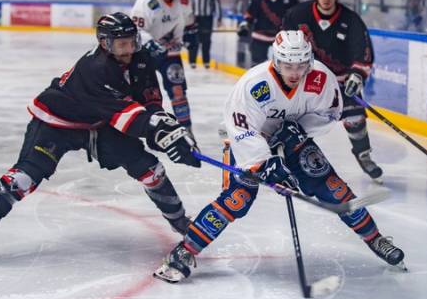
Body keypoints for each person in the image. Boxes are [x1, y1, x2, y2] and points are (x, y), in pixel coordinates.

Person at [0, 13, 200, 265]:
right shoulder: (94, 68)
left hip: (99, 122)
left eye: (132, 41)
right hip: (58, 122)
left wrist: (168, 133)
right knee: (21, 179)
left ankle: (179, 221)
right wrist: (158, 129)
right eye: (122, 44)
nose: (129, 49)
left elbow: (149, 102)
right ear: (105, 43)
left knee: (151, 170)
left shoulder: (140, 58)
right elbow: (127, 116)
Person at [153, 30, 404, 284]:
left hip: (294, 139)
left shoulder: (321, 79)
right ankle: (185, 251)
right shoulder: (254, 84)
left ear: (310, 62)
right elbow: (241, 128)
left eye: (301, 66)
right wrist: (264, 162)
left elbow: (329, 113)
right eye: (287, 65)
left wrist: (295, 132)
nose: (294, 73)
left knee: (334, 189)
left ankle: (376, 239)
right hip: (249, 145)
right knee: (238, 199)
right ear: (276, 60)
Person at [282, 0, 383, 182]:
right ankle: (289, 160)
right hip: (307, 80)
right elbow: (281, 42)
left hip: (341, 82)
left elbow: (364, 55)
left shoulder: (351, 20)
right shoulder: (297, 15)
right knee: (294, 119)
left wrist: (356, 76)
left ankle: (363, 156)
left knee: (355, 118)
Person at [131, 0, 198, 130]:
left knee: (178, 92)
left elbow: (189, 20)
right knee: (143, 93)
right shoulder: (146, 2)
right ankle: (141, 130)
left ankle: (187, 132)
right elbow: (136, 30)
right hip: (147, 56)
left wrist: (191, 33)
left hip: (172, 53)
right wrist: (150, 43)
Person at [238, 0, 300, 65]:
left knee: (284, 66)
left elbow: (297, 14)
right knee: (256, 65)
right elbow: (250, 14)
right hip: (260, 36)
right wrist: (246, 25)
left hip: (282, 37)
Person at [187, 0, 222, 69]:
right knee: (194, 38)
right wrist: (188, 16)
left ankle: (206, 61)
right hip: (195, 18)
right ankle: (192, 61)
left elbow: (216, 4)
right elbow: (187, 3)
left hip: (207, 19)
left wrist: (219, 18)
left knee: (206, 40)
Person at [234, 0, 262, 67]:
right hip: (244, 20)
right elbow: (238, 5)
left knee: (254, 44)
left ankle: (253, 65)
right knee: (242, 42)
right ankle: (240, 63)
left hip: (256, 22)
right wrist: (239, 19)